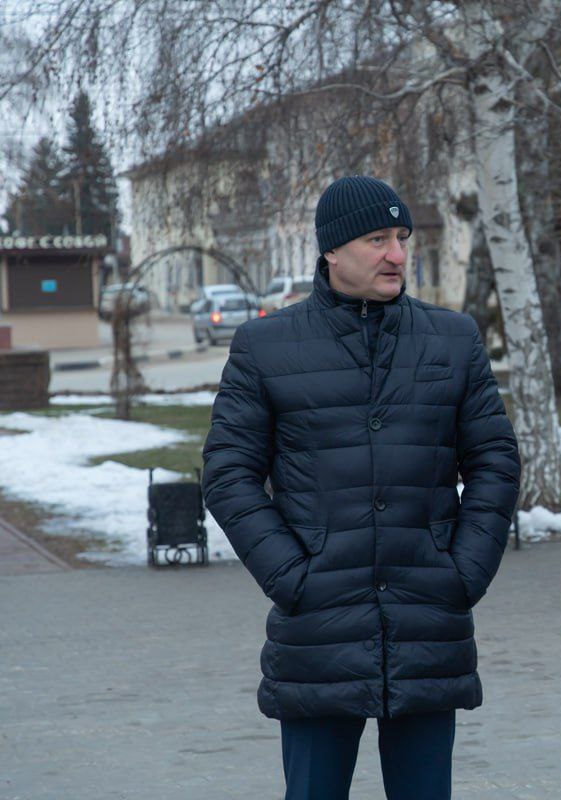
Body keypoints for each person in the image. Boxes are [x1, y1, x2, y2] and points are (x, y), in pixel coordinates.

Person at [203, 175, 519, 800]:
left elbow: (495, 460)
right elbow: (228, 473)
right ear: (331, 249)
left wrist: (464, 572)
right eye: (378, 239)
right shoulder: (266, 346)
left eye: (402, 237)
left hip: (428, 622)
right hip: (317, 630)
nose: (397, 254)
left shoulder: (453, 339)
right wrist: (293, 576)